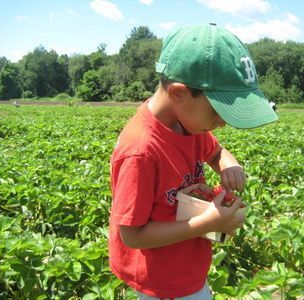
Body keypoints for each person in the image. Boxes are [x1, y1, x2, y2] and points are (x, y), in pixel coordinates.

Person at [109, 23, 278, 300]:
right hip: (160, 280)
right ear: (178, 93)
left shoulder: (189, 126)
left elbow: (215, 151)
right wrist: (208, 223)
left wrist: (228, 163)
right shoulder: (141, 150)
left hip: (186, 264)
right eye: (217, 112)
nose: (222, 123)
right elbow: (132, 235)